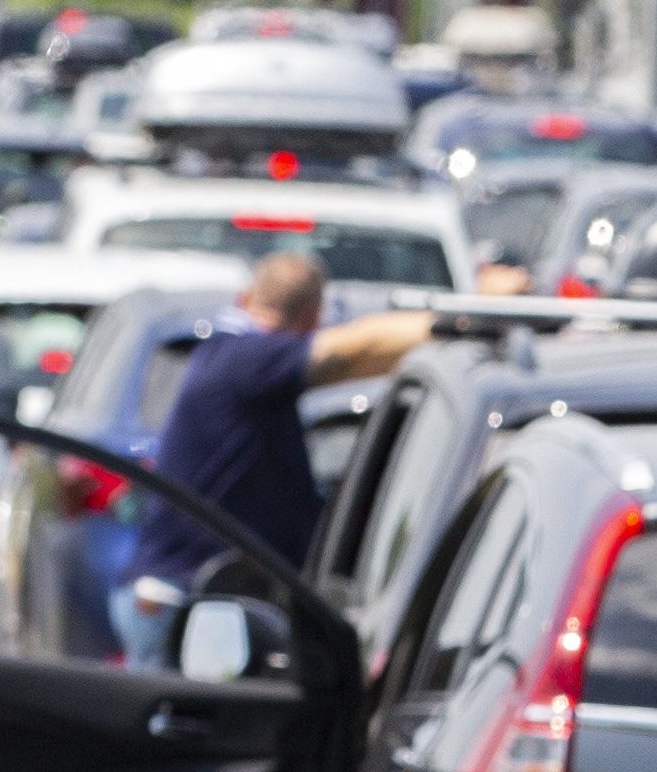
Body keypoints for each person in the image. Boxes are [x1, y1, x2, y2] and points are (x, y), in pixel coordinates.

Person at [134, 246, 436, 640]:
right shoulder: (247, 358)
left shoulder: (227, 357)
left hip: (200, 598)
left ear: (245, 298)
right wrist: (457, 327)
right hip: (194, 602)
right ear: (315, 318)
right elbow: (351, 352)